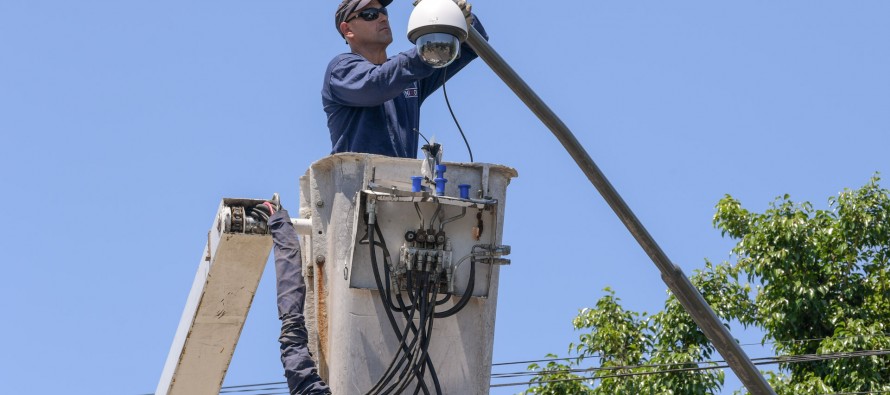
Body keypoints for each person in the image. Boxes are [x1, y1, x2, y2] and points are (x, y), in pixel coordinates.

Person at [323, 0, 487, 158]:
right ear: (347, 30)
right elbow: (378, 84)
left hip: (401, 183)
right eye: (370, 14)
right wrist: (430, 46)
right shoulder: (341, 71)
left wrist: (454, 16)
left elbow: (469, 47)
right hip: (356, 184)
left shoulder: (408, 76)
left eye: (383, 12)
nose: (383, 18)